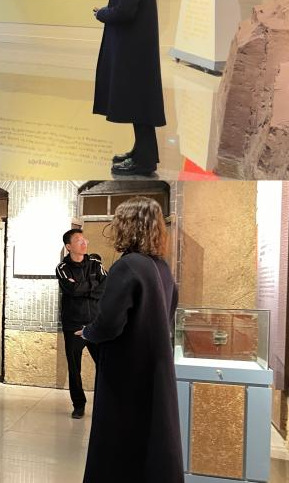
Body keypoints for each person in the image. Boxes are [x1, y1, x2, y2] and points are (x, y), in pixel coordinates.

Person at [77, 197, 183, 482]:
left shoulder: (128, 266)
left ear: (128, 226)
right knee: (152, 440)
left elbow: (110, 324)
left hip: (127, 374)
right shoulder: (162, 268)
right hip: (155, 370)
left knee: (118, 445)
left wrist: (88, 332)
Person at [93, 0, 165, 177]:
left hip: (134, 50)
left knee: (139, 103)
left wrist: (102, 13)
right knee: (139, 103)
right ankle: (142, 152)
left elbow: (125, 11)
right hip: (135, 47)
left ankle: (144, 161)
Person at [55, 229, 106, 419]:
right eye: (78, 240)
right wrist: (93, 285)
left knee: (104, 365)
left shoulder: (95, 264)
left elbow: (106, 286)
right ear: (69, 246)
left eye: (84, 239)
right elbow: (72, 290)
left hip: (95, 324)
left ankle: (104, 402)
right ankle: (79, 404)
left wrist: (82, 287)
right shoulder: (62, 268)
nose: (84, 242)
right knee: (74, 367)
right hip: (73, 325)